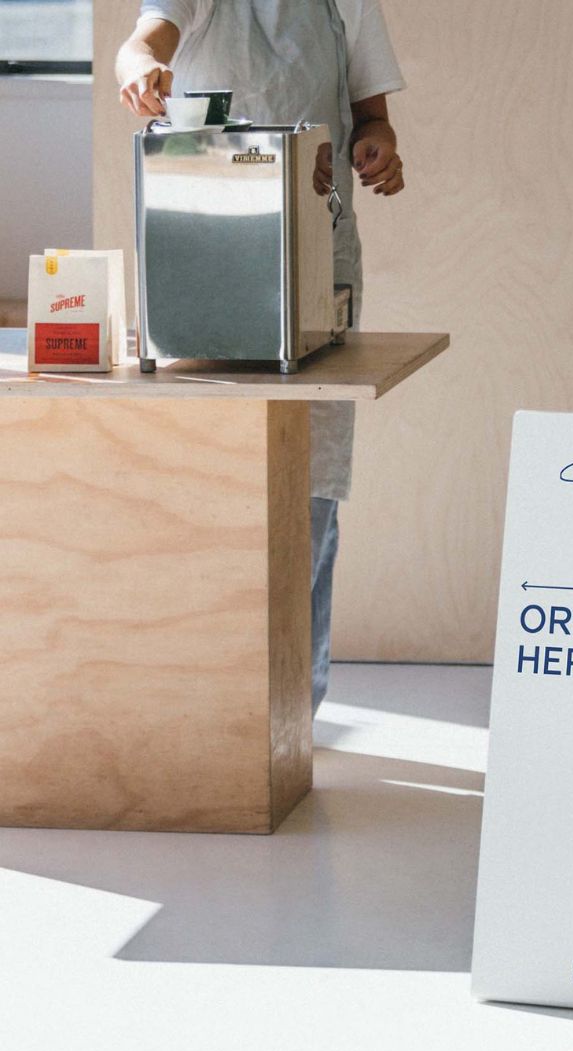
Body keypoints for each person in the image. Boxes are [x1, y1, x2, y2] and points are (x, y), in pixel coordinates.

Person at [115, 1, 406, 716]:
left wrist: (378, 145)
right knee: (210, 482)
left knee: (309, 487)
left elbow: (370, 114)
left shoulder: (347, 5)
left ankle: (289, 721)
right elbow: (143, 43)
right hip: (207, 253)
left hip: (319, 256)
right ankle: (210, 711)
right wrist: (140, 73)